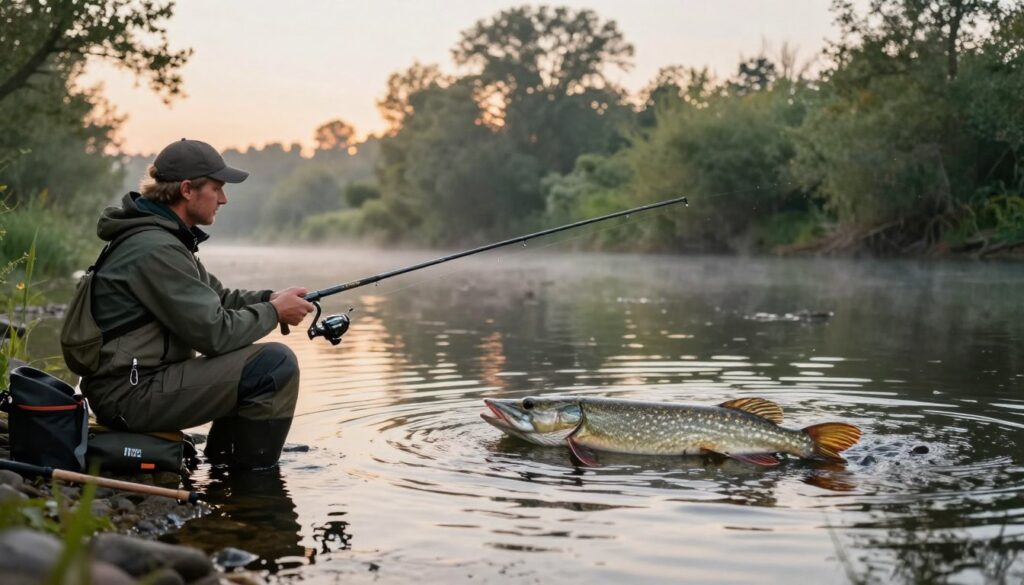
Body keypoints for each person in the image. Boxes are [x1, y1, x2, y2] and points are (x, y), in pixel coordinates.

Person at [79, 138, 314, 469]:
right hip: (129, 395)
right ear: (187, 190)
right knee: (274, 366)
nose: (223, 199)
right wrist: (274, 313)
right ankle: (251, 482)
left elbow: (216, 299)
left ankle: (222, 464)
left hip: (135, 384)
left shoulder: (163, 239)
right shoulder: (155, 248)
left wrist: (269, 299)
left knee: (252, 360)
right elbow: (214, 334)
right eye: (216, 188)